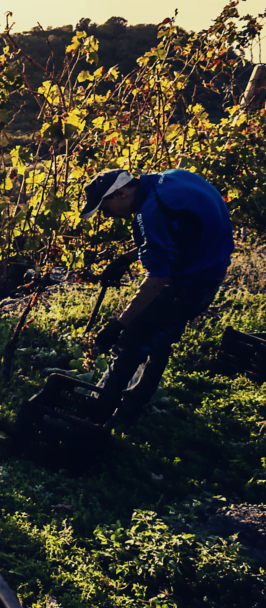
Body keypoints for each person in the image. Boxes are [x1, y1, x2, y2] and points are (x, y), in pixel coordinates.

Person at [81, 168, 234, 428]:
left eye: (105, 208)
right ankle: (129, 408)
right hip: (211, 267)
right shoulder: (170, 179)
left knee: (130, 342)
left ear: (120, 194)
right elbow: (172, 230)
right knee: (157, 339)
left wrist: (118, 325)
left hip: (192, 283)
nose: (107, 216)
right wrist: (126, 259)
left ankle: (95, 415)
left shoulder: (149, 212)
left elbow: (157, 279)